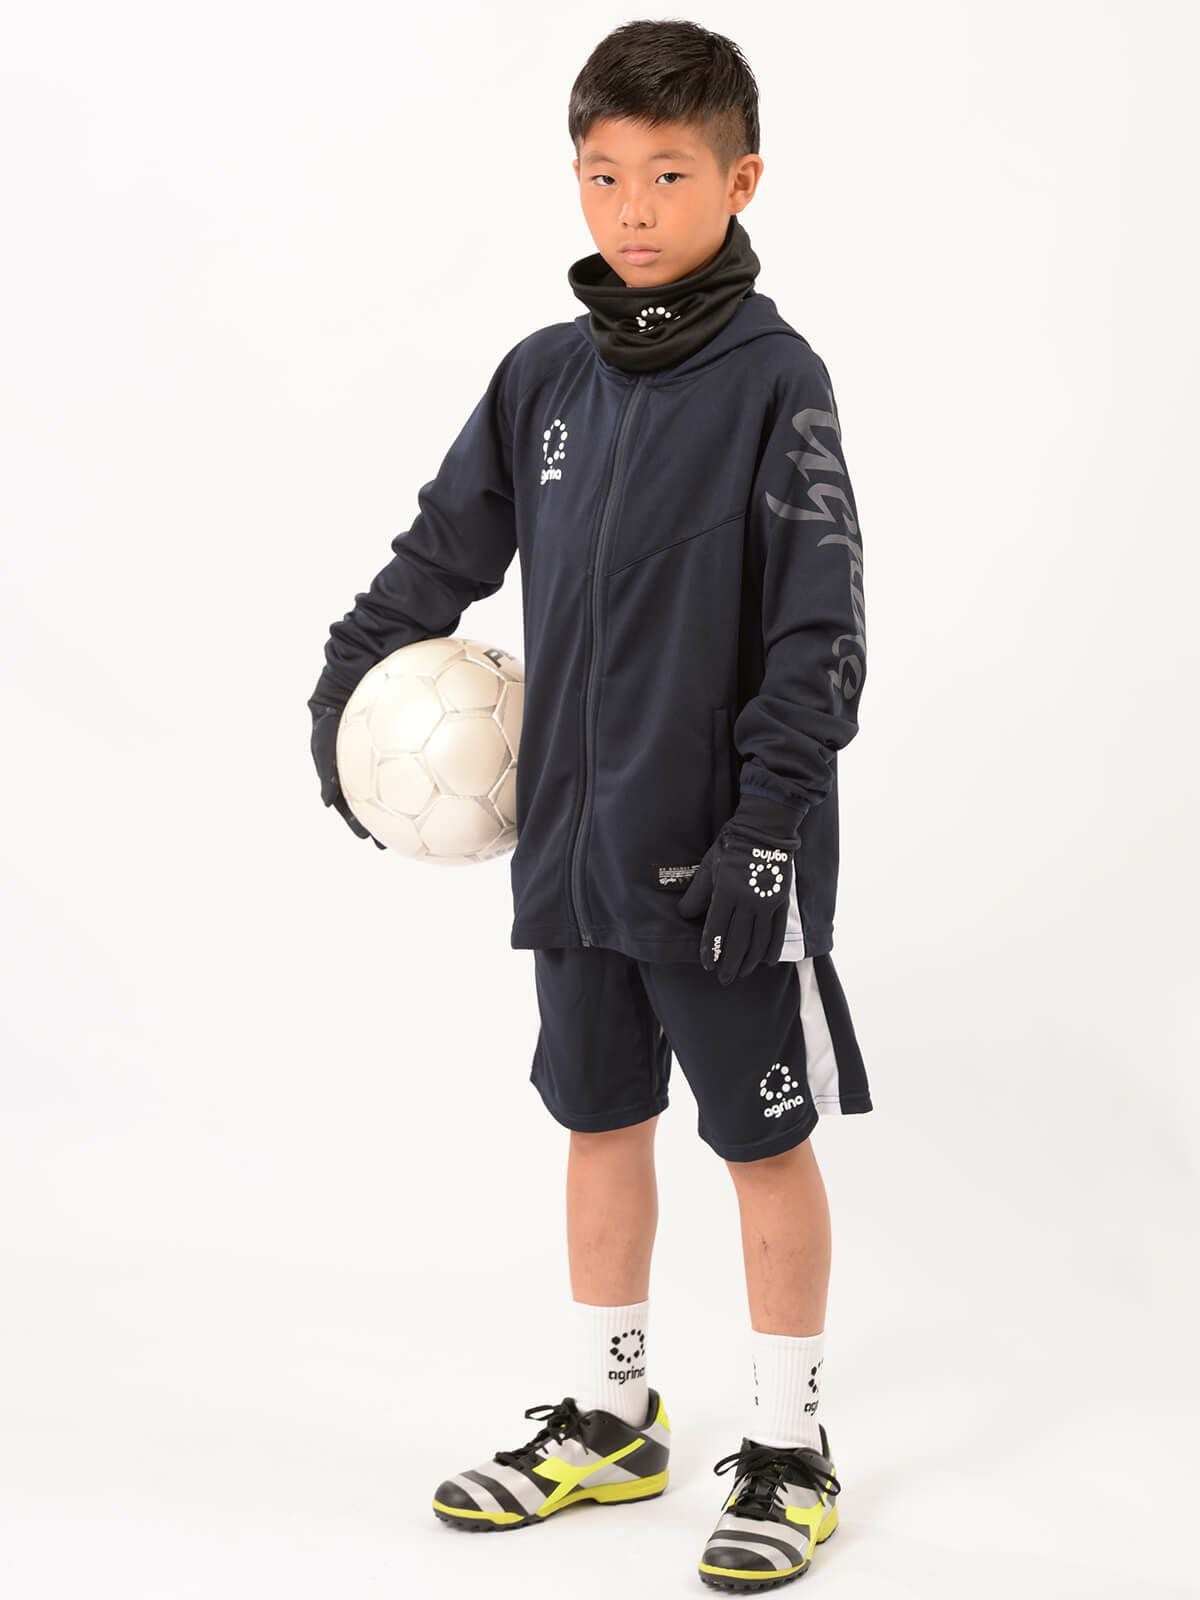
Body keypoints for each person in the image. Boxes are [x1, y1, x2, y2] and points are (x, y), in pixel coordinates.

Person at [308, 19, 871, 1589]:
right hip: (570, 849)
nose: (632, 208)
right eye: (603, 174)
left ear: (741, 181)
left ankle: (791, 1445)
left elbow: (822, 633)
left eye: (669, 175)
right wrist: (344, 698)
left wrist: (769, 826)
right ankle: (612, 1419)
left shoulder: (776, 383)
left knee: (759, 1142)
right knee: (597, 1120)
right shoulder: (542, 378)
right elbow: (439, 556)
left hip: (722, 860)